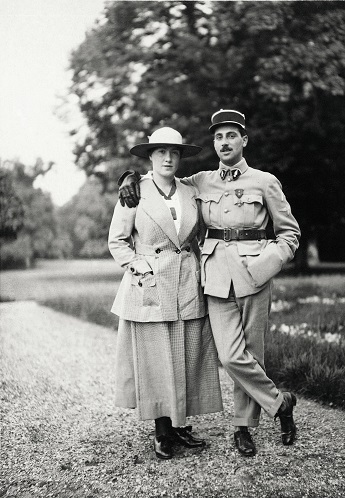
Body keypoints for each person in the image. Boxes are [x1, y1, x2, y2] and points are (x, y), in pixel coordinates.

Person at [118, 110, 301, 457]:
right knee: (231, 357)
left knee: (253, 353)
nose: (225, 142)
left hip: (255, 276)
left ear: (243, 141)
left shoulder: (265, 181)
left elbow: (290, 234)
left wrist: (269, 263)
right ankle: (281, 404)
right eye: (219, 137)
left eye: (232, 135)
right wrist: (129, 177)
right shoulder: (200, 181)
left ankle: (243, 428)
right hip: (215, 279)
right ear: (214, 143)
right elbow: (163, 181)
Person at [108, 126, 223, 460]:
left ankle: (179, 425)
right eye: (161, 152)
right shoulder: (135, 192)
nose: (168, 158)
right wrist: (138, 265)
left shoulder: (191, 189)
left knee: (185, 352)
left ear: (181, 157)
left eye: (174, 152)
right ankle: (162, 431)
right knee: (156, 358)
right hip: (150, 283)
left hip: (187, 282)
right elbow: (117, 240)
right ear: (151, 157)